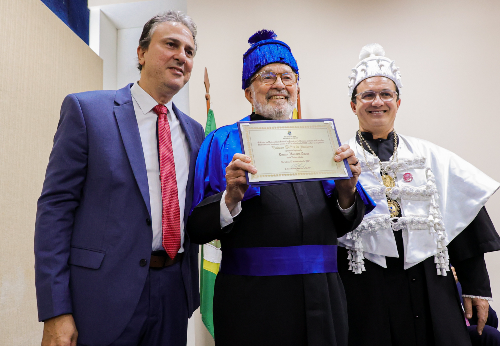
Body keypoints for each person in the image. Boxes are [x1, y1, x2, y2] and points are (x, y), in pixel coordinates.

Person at [186, 30, 374, 346]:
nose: (279, 85)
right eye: (267, 76)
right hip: (252, 301)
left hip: (323, 295)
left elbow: (344, 224)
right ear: (248, 92)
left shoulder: (320, 142)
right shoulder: (222, 142)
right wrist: (231, 196)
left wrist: (346, 191)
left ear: (297, 88)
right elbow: (197, 229)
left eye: (288, 77)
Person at [34, 11, 204, 346]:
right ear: (141, 53)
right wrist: (56, 310)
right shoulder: (87, 112)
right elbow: (55, 210)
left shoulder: (195, 132)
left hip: (173, 293)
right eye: (171, 44)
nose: (181, 56)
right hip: (101, 297)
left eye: (189, 51)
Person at [338, 43, 500, 346]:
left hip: (429, 283)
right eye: (368, 95)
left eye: (386, 94)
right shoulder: (339, 159)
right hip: (365, 287)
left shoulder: (431, 157)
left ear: (398, 102)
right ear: (353, 104)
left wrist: (475, 288)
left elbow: (464, 220)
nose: (378, 102)